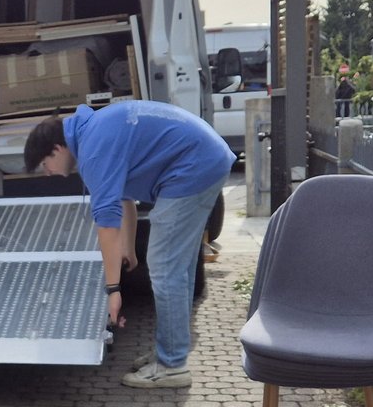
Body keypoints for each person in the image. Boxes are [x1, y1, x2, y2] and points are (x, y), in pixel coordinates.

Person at [22, 100, 234, 389]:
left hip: (194, 167)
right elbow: (125, 198)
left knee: (164, 268)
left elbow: (106, 224)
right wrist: (129, 249)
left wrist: (113, 290)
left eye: (45, 165)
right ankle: (170, 351)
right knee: (175, 269)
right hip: (204, 160)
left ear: (57, 149)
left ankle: (172, 365)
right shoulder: (94, 133)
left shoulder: (93, 150)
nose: (48, 173)